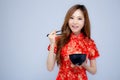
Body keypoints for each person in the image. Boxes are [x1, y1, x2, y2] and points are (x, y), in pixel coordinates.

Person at [47, 4, 100, 80]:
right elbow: (49, 68)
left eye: (79, 18)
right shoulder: (59, 39)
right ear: (68, 20)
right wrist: (52, 43)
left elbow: (94, 70)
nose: (75, 22)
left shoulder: (89, 42)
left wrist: (84, 65)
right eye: (71, 18)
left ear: (85, 21)